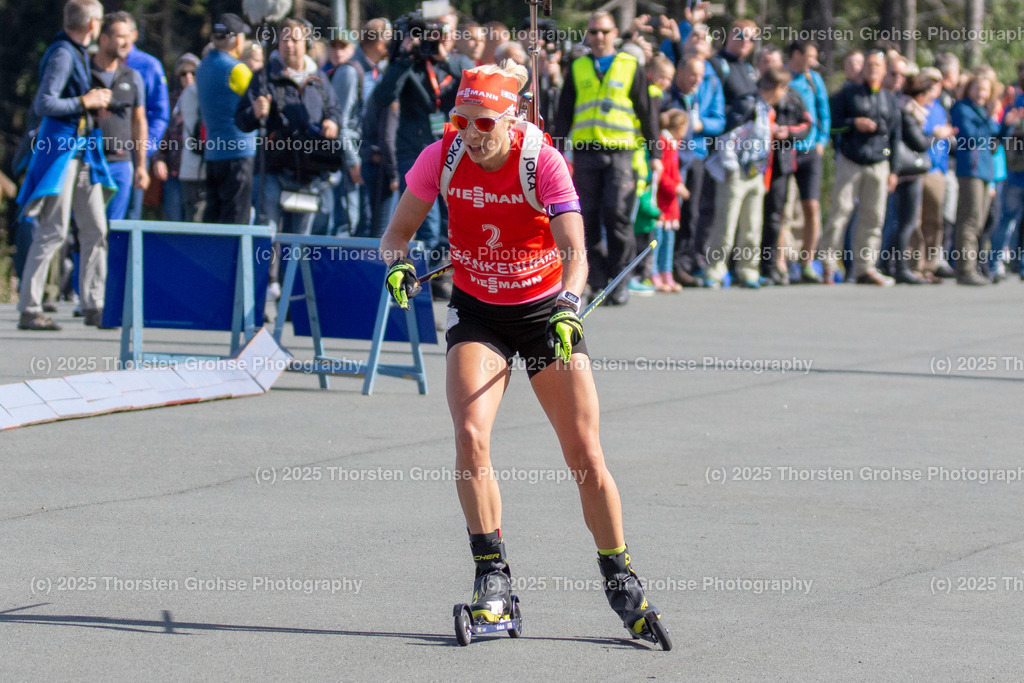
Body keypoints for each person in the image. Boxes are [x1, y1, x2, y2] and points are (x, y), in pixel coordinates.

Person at [379, 61, 668, 642]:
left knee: (584, 450)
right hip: (479, 311)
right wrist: (399, 265)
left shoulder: (542, 161)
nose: (470, 131)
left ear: (511, 119)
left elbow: (576, 256)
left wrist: (566, 304)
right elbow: (396, 235)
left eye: (483, 120)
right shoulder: (442, 157)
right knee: (470, 436)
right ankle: (493, 578)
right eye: (460, 119)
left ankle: (620, 576)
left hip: (543, 316)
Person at [16, 0, 117, 331]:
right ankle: (30, 307)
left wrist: (92, 106)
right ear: (93, 24)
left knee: (96, 229)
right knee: (54, 229)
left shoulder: (77, 52)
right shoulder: (63, 52)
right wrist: (84, 102)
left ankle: (94, 304)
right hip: (62, 152)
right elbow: (44, 101)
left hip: (82, 151)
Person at [553, 10, 660, 306]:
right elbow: (564, 113)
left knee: (618, 215)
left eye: (604, 32)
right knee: (586, 217)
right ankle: (598, 279)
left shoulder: (631, 65)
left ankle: (620, 279)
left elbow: (646, 112)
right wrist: (557, 151)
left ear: (615, 34)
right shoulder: (577, 67)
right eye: (593, 32)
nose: (598, 37)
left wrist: (656, 154)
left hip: (621, 152)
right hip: (586, 153)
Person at [237, 17, 341, 289]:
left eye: (295, 39)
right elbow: (242, 120)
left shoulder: (319, 79)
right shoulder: (263, 77)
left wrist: (332, 121)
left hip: (308, 175)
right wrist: (255, 111)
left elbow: (334, 109)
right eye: (285, 38)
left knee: (298, 242)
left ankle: (292, 303)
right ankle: (260, 295)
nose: (290, 45)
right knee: (266, 235)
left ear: (306, 43)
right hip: (272, 171)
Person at [702, 67, 790, 289]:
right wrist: (732, 167)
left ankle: (748, 269)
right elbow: (727, 138)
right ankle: (714, 269)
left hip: (755, 173)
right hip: (736, 172)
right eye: (783, 89)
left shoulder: (767, 109)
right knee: (726, 222)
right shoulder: (747, 104)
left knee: (752, 225)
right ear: (777, 88)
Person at [821, 50, 901, 285]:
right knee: (840, 212)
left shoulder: (889, 98)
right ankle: (827, 264)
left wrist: (894, 170)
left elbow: (896, 136)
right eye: (869, 65)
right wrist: (853, 123)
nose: (873, 69)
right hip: (851, 160)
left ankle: (866, 267)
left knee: (874, 216)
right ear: (862, 68)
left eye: (877, 65)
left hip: (879, 163)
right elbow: (831, 125)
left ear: (884, 70)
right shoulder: (847, 94)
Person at [196, 13, 255, 225]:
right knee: (236, 220)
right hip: (239, 153)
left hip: (213, 154)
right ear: (238, 40)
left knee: (214, 220)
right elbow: (258, 101)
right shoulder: (237, 69)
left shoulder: (202, 67)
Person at [90, 11, 149, 223]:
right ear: (104, 38)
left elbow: (139, 121)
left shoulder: (133, 77)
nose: (127, 42)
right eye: (121, 37)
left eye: (129, 36)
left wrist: (141, 166)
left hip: (121, 164)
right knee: (85, 229)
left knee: (114, 229)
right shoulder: (84, 72)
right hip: (88, 162)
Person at [786, 40, 830, 283]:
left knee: (811, 207)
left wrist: (821, 141)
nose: (813, 62)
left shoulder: (814, 80)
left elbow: (824, 112)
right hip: (787, 150)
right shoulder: (783, 76)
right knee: (785, 208)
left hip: (811, 151)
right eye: (810, 56)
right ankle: (785, 261)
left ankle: (807, 262)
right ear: (796, 54)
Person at [122, 14, 169, 221]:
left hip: (134, 152)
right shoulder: (99, 62)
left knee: (131, 214)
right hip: (103, 149)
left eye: (124, 34)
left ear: (134, 35)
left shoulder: (149, 65)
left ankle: (126, 255)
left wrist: (146, 148)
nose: (120, 41)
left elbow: (160, 113)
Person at [152, 53, 200, 222]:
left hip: (197, 174)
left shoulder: (205, 100)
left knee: (195, 224)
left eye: (193, 73)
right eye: (183, 73)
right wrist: (158, 159)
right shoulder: (170, 102)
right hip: (173, 172)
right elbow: (160, 132)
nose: (188, 77)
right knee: (173, 223)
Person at [653, 109, 689, 292]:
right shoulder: (664, 143)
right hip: (662, 201)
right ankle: (654, 274)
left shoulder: (673, 144)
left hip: (671, 204)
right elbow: (662, 174)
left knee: (669, 240)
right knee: (657, 240)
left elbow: (674, 171)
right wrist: (676, 187)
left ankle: (667, 273)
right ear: (680, 127)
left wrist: (679, 183)